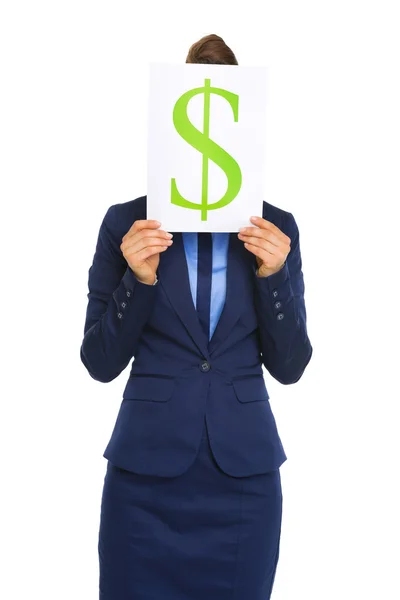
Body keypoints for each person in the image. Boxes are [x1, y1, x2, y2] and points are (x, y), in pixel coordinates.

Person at [80, 33, 312, 600]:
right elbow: (98, 361)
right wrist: (137, 279)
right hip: (145, 481)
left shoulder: (275, 228)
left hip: (242, 484)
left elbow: (291, 365)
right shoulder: (126, 225)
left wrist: (273, 275)